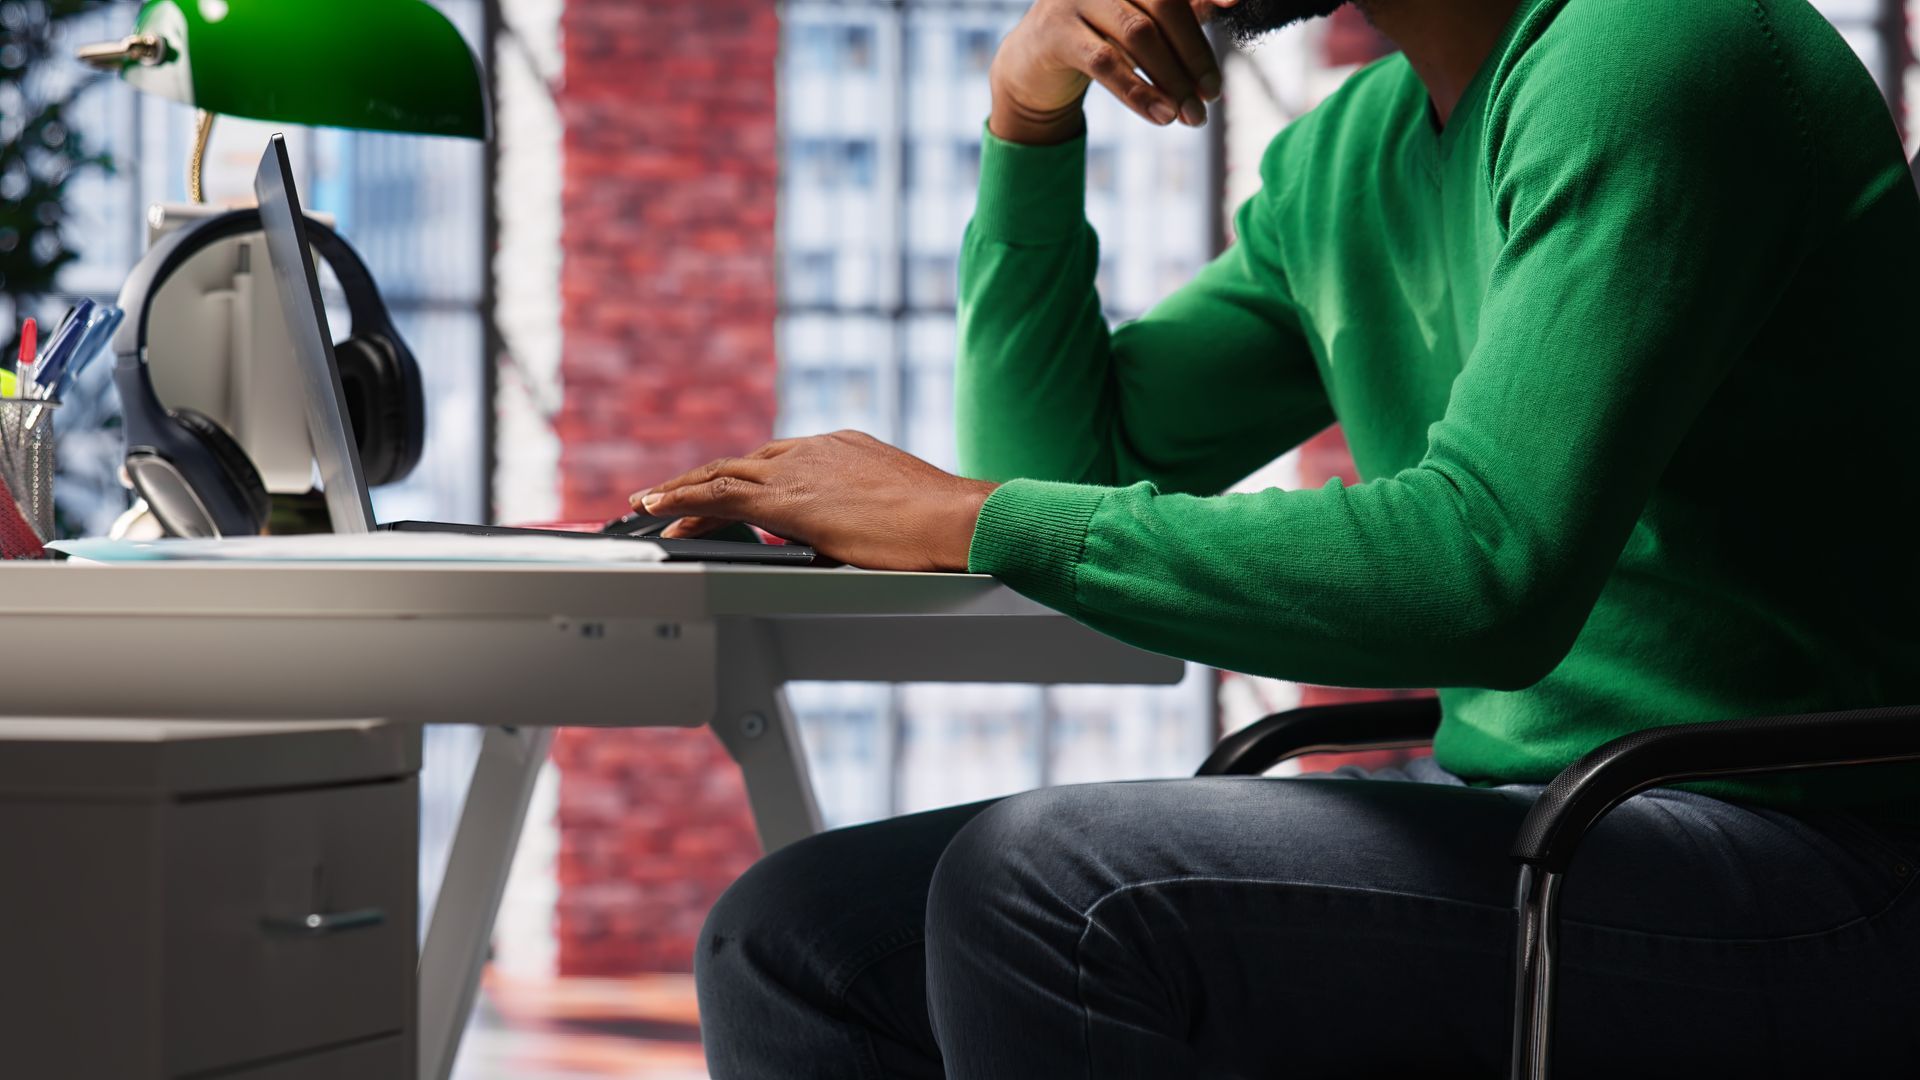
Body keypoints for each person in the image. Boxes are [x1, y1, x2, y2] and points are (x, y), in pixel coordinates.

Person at [638, 0, 1920, 1074]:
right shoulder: (1349, 157)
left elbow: (1485, 573)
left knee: (1056, 890)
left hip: (1808, 860)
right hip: (1547, 821)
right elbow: (1057, 475)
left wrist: (970, 518)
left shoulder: (1658, 47)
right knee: (795, 931)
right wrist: (1028, 117)